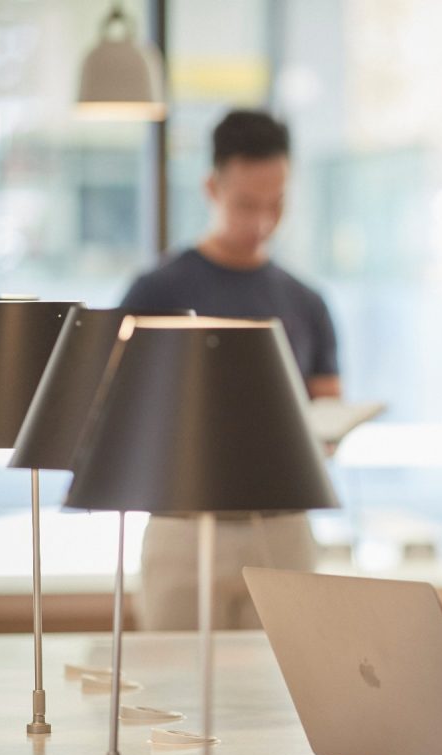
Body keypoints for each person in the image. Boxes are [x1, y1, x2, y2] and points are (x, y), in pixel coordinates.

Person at [121, 109, 341, 630]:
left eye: (276, 204)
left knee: (280, 691)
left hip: (281, 522)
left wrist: (323, 433)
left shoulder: (306, 301)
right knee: (173, 690)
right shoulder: (157, 291)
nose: (262, 223)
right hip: (183, 522)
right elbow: (118, 410)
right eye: (246, 205)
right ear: (211, 189)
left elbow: (329, 415)